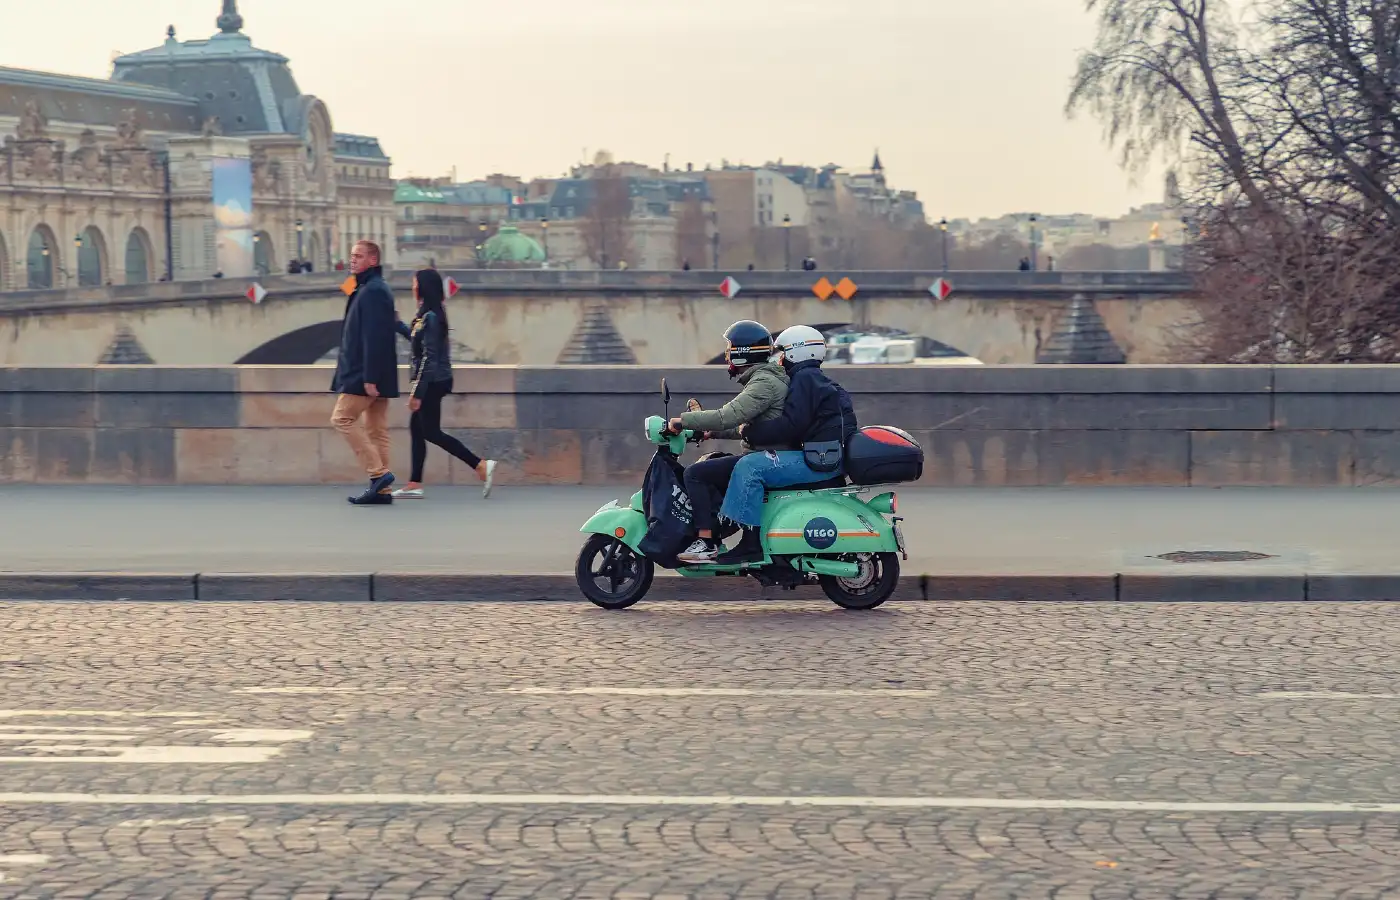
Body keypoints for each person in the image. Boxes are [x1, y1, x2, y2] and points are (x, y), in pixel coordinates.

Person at [715, 325, 857, 565]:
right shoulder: (814, 379)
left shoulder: (804, 379)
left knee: (751, 467)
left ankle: (750, 544)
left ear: (796, 352)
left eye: (782, 352)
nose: (778, 359)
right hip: (825, 455)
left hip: (820, 459)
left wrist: (751, 432)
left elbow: (791, 424)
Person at [667, 320, 790, 564]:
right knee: (712, 462)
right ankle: (718, 531)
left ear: (742, 353)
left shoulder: (763, 383)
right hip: (767, 453)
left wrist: (682, 422)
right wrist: (711, 434)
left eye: (730, 348)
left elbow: (727, 416)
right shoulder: (765, 378)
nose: (727, 354)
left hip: (766, 458)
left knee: (696, 474)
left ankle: (707, 542)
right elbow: (746, 427)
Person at [391, 268, 498, 500]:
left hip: (433, 381)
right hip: (434, 380)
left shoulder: (430, 317)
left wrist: (417, 393)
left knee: (430, 432)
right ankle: (414, 483)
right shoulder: (428, 314)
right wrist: (398, 325)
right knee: (418, 429)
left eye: (414, 283)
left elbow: (429, 357)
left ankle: (479, 464)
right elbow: (416, 340)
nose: (412, 287)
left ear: (423, 287)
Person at [330, 240, 400, 506]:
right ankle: (381, 491)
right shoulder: (369, 287)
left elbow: (374, 336)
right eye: (352, 256)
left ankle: (379, 474)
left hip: (363, 372)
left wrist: (370, 377)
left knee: (342, 419)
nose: (353, 260)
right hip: (374, 370)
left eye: (358, 256)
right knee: (376, 429)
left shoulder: (372, 291)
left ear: (373, 260)